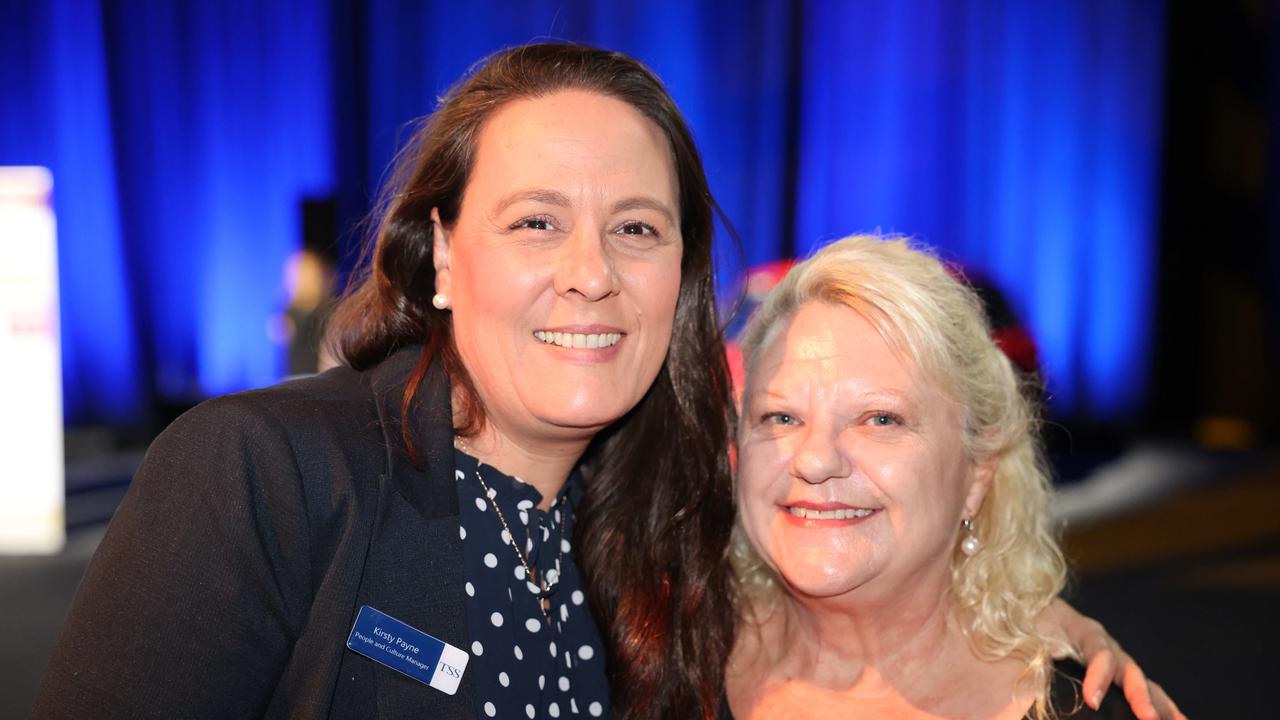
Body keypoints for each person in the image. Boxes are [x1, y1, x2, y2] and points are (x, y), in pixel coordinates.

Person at [34, 44, 1174, 720]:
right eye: (536, 222)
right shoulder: (265, 472)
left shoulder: (661, 520)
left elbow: (875, 558)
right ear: (440, 253)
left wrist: (1040, 640)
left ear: (678, 274)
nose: (589, 276)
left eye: (635, 228)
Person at [725, 234, 1185, 719]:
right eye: (780, 417)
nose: (814, 461)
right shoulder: (662, 665)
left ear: (977, 473)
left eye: (881, 419)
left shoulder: (1092, 705)